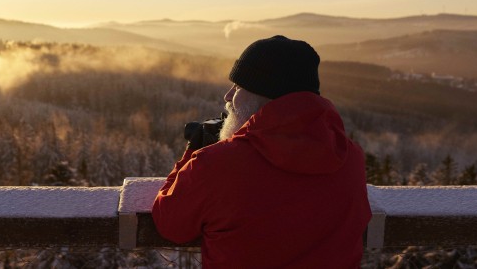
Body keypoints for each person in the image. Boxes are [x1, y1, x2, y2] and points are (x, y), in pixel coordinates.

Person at [151, 35, 371, 268]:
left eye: (237, 86)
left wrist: (193, 152)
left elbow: (170, 223)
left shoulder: (216, 164)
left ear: (263, 95)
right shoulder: (351, 158)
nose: (228, 96)